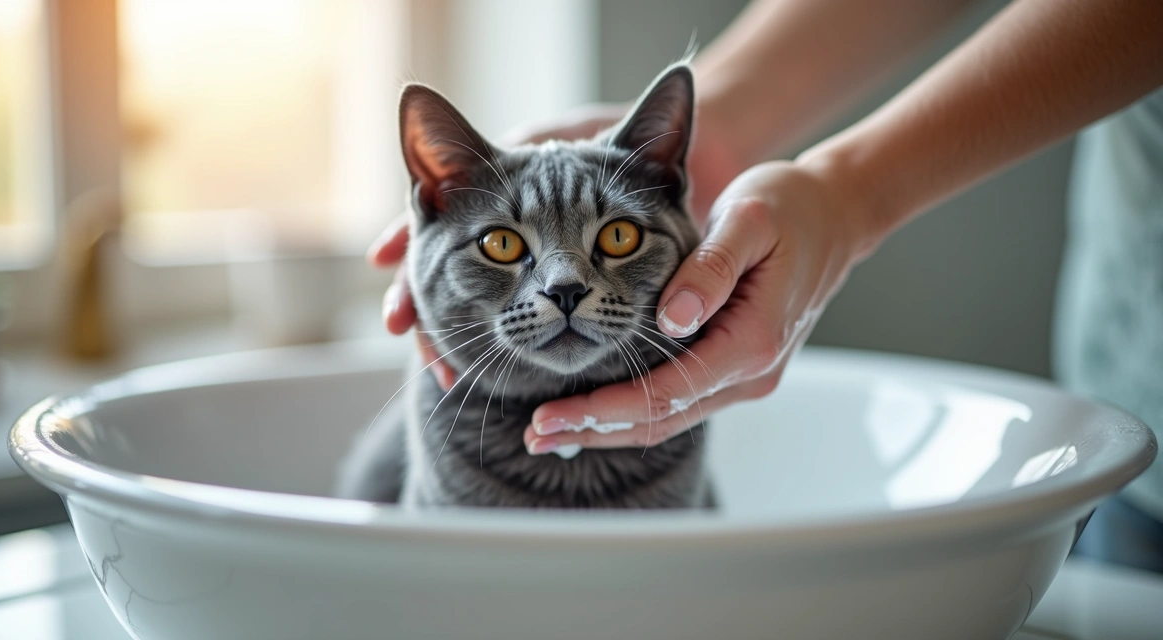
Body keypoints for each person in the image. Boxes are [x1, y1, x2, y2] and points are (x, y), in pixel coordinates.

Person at [370, 0, 1163, 568]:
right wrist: (737, 115)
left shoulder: (671, 394)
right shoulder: (434, 414)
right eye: (504, 246)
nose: (567, 283)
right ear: (433, 201)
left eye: (618, 238)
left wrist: (847, 195)